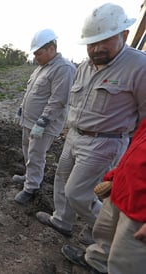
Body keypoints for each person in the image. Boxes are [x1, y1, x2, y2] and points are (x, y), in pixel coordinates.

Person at [36, 2, 146, 245]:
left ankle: (104, 240)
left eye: (104, 40)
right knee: (62, 180)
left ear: (124, 35)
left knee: (78, 193)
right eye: (92, 43)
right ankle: (62, 221)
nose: (97, 48)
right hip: (74, 135)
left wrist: (131, 157)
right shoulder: (84, 67)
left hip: (104, 142)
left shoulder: (139, 66)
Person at [60, 118, 146, 274]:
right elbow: (136, 149)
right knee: (104, 237)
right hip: (123, 189)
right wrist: (115, 177)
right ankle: (96, 264)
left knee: (126, 260)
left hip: (140, 209)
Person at [12, 29, 76, 205]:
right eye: (34, 54)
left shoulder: (63, 69)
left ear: (51, 49)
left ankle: (31, 187)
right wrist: (21, 109)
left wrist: (42, 122)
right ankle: (28, 176)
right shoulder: (41, 68)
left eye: (38, 53)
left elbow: (58, 100)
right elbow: (31, 92)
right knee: (27, 150)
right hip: (29, 120)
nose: (35, 57)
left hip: (43, 124)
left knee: (36, 154)